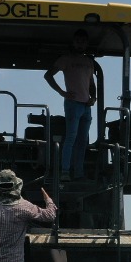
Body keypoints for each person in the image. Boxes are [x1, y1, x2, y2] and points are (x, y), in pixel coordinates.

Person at [44, 29, 98, 181]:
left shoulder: (89, 61)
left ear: (86, 43)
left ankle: (79, 172)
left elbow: (91, 83)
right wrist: (62, 92)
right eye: (78, 41)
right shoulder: (66, 59)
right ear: (73, 42)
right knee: (71, 138)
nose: (80, 44)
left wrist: (93, 97)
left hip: (86, 105)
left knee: (83, 140)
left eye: (83, 41)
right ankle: (65, 171)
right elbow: (48, 75)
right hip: (73, 103)